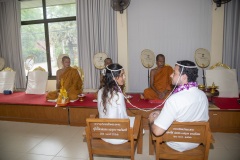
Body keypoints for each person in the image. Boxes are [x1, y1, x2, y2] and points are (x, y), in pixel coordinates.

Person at [148, 60, 209, 152]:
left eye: (174, 73)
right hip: (196, 141)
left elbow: (157, 132)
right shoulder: (202, 95)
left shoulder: (174, 99)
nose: (171, 75)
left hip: (176, 144)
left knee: (154, 124)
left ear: (184, 77)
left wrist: (152, 120)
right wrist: (162, 113)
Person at [97, 63, 133, 145]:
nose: (124, 77)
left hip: (104, 135)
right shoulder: (118, 95)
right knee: (137, 123)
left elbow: (100, 111)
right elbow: (124, 117)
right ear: (114, 77)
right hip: (117, 136)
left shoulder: (100, 91)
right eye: (122, 75)